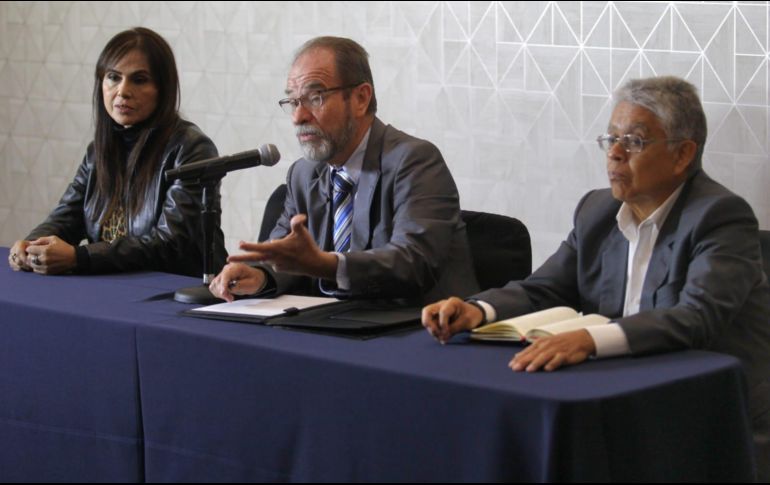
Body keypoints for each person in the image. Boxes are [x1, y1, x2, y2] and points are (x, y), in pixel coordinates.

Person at [422, 76, 770, 480]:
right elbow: (546, 287)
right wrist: (477, 309)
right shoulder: (597, 211)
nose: (616, 154)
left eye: (635, 141)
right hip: (625, 394)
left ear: (682, 154)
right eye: (611, 139)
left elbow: (696, 316)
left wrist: (590, 340)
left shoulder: (720, 217)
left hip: (712, 415)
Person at [209, 36, 477, 304]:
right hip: (334, 326)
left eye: (315, 97)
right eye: (292, 102)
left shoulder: (414, 161)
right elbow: (286, 254)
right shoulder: (303, 174)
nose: (298, 117)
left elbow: (413, 263)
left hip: (419, 329)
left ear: (361, 98)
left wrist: (328, 265)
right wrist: (259, 275)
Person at [7, 27, 226, 277]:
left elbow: (171, 243)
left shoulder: (192, 148)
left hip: (175, 289)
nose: (122, 91)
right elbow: (66, 218)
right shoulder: (98, 151)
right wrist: (31, 245)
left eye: (139, 79)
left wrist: (81, 257)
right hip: (111, 286)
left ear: (163, 89)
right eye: (113, 77)